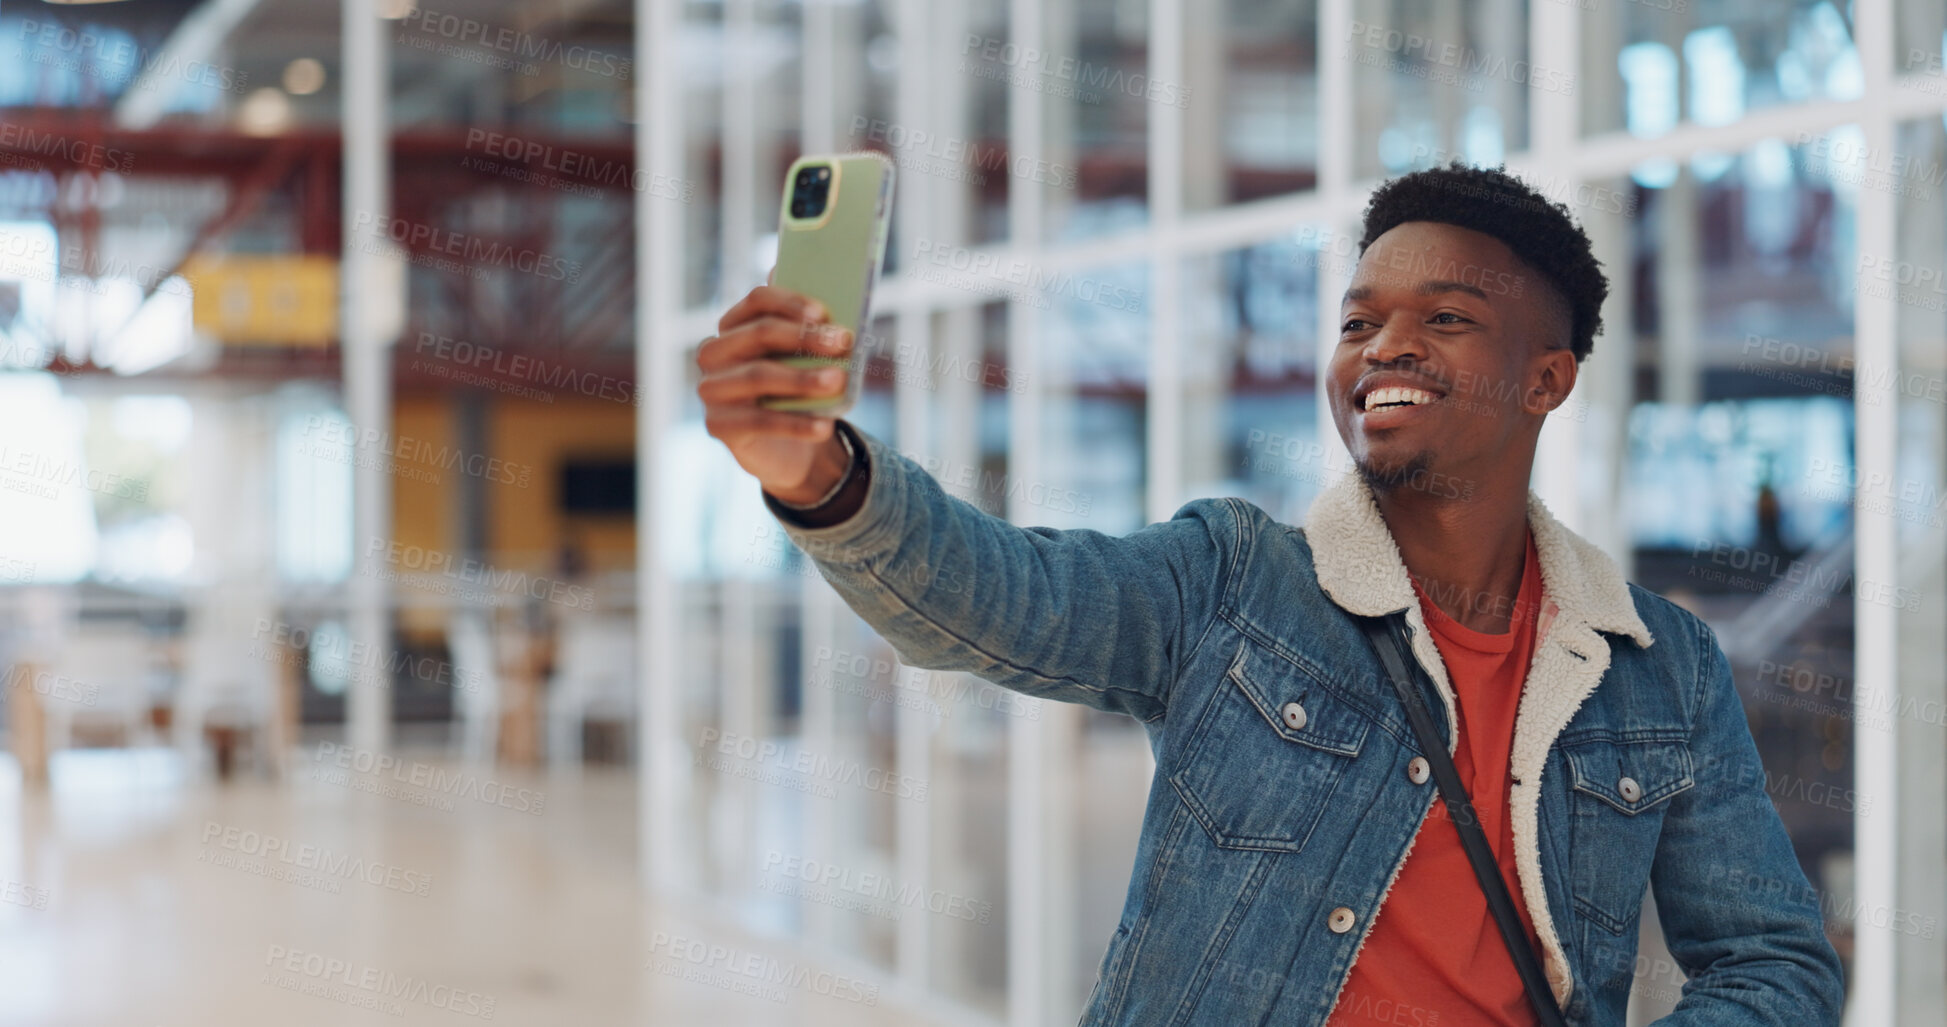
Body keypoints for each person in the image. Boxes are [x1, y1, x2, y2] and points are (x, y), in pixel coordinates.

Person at [695, 162, 1845, 1026]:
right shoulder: (1234, 582)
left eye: (1445, 318)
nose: (1383, 346)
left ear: (1548, 377)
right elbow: (1003, 596)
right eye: (1358, 320)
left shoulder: (1658, 664)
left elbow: (1773, 961)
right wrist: (822, 476)